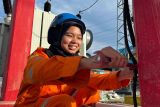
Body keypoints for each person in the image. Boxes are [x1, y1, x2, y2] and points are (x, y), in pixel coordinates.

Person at [14, 13, 133, 107]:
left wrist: (122, 75)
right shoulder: (37, 59)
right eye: (69, 35)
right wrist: (90, 61)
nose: (75, 41)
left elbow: (95, 79)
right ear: (56, 36)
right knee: (64, 101)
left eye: (79, 37)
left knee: (91, 91)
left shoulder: (75, 66)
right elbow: (45, 69)